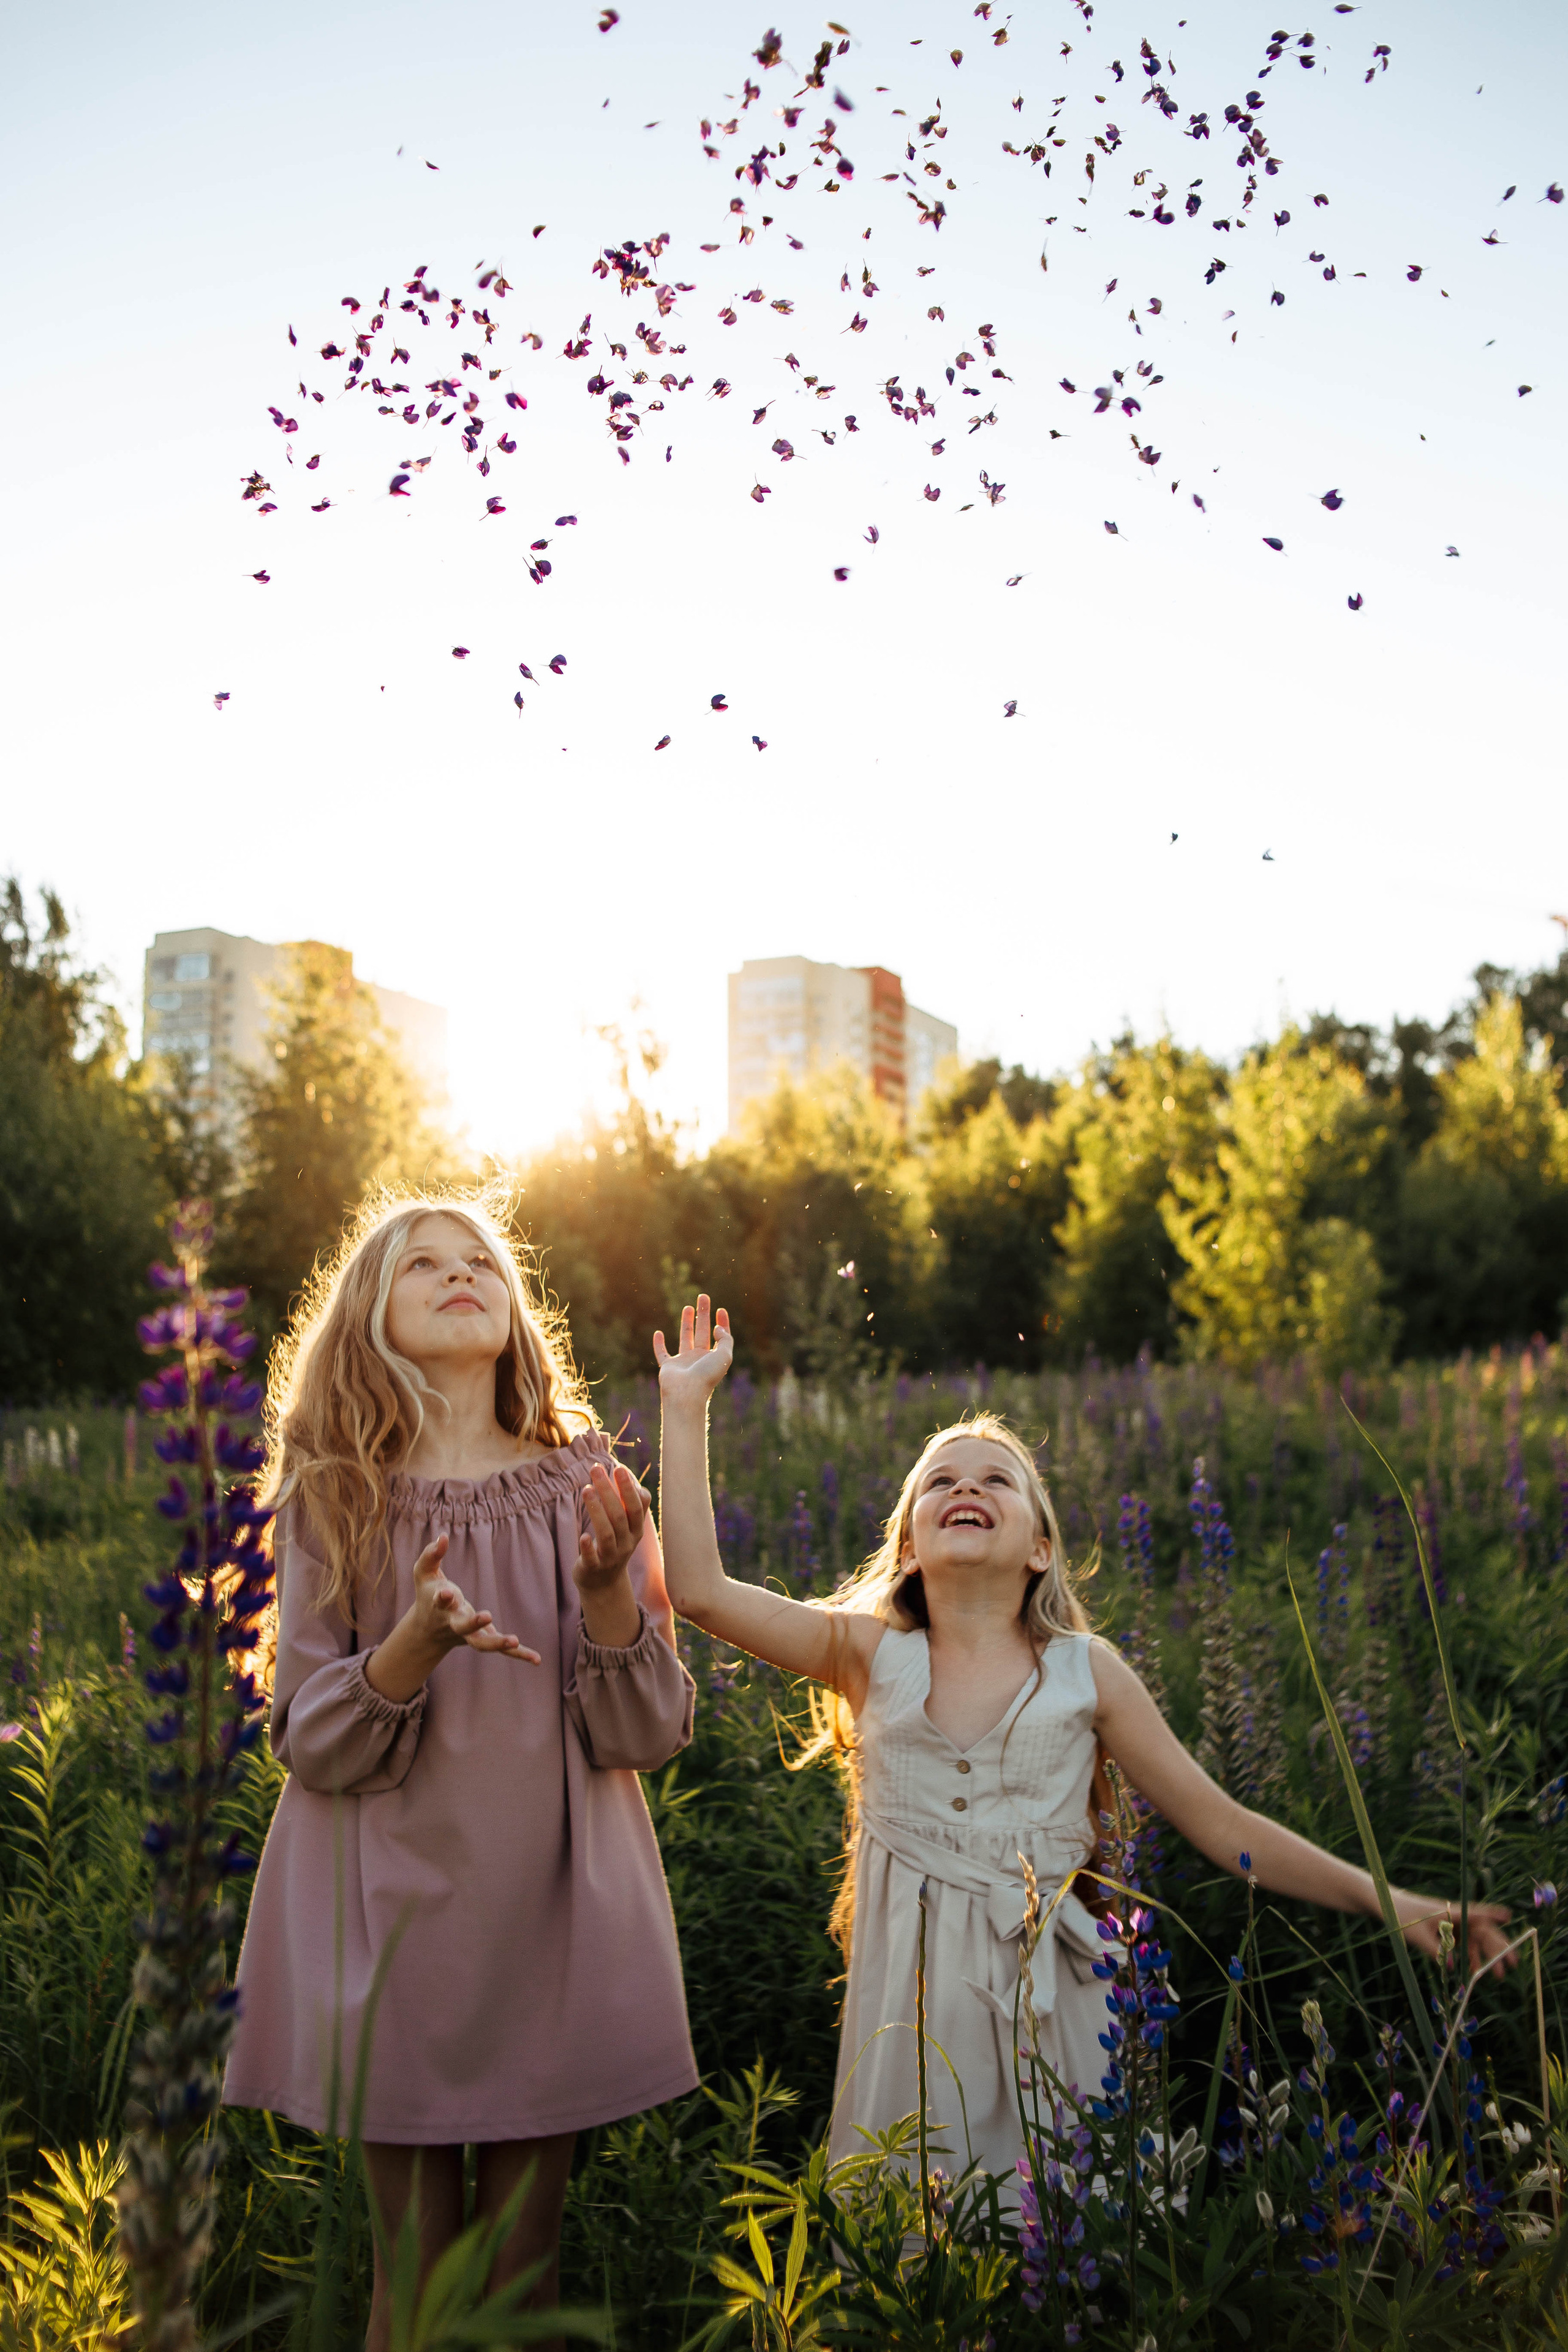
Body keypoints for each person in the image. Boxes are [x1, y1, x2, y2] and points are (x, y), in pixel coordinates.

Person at [653, 1296, 1514, 2196]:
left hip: (1055, 2023)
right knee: (912, 2242)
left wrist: (1394, 1903)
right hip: (907, 2033)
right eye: (940, 1482)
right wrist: (686, 1406)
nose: (966, 1489)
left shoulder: (1085, 1672)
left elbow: (1223, 1828)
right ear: (907, 1548)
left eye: (997, 1480)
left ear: (1040, 1548)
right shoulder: (868, 1654)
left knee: (1060, 2238)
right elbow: (701, 1591)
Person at [224, 1191, 697, 2351]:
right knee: (421, 2286)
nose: (457, 1273)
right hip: (389, 1914)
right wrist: (414, 1644)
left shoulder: (585, 1483)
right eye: (420, 1263)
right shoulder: (338, 1495)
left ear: (515, 1307)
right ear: (368, 1318)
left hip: (550, 1908)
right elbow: (307, 1735)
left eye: (478, 1258)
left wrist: (600, 1593)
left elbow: (650, 1728)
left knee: (522, 2287)